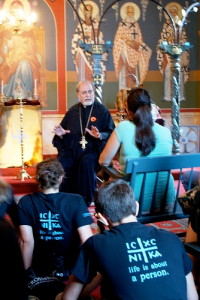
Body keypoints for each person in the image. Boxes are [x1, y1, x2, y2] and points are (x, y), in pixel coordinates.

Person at [59, 179, 198, 300]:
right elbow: (192, 297)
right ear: (136, 207)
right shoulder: (172, 239)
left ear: (101, 218)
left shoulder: (96, 244)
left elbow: (68, 297)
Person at [17, 158, 93, 300]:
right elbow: (88, 241)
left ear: (38, 179)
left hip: (40, 268)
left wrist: (25, 275)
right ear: (61, 178)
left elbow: (26, 242)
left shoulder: (26, 202)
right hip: (71, 270)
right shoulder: (76, 200)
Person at [99, 88, 174, 212]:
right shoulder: (166, 132)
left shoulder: (123, 128)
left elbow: (103, 161)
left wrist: (112, 166)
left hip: (133, 203)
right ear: (151, 108)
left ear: (128, 111)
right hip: (165, 201)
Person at [52, 80, 115, 206]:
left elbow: (111, 132)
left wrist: (100, 135)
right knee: (61, 164)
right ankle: (63, 199)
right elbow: (63, 131)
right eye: (84, 92)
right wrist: (61, 134)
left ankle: (84, 200)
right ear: (78, 95)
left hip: (93, 152)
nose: (88, 95)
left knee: (85, 162)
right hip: (72, 151)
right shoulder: (72, 112)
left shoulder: (102, 111)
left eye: (90, 92)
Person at [113, 3, 152, 89]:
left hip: (135, 53)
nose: (130, 15)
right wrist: (126, 42)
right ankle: (124, 90)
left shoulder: (136, 25)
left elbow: (139, 40)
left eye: (132, 13)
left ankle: (134, 89)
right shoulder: (122, 25)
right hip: (124, 53)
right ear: (126, 13)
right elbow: (117, 41)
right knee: (125, 73)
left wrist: (135, 44)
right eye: (129, 12)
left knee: (135, 75)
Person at [157, 2, 189, 101]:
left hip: (178, 54)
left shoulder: (180, 25)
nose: (173, 14)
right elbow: (161, 40)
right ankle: (167, 96)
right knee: (167, 74)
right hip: (168, 54)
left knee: (179, 74)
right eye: (171, 12)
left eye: (174, 12)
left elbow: (184, 39)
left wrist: (178, 40)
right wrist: (167, 40)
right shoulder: (166, 25)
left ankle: (180, 95)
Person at [71, 1, 107, 81]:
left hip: (93, 54)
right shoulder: (80, 25)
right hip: (82, 56)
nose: (87, 13)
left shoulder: (96, 25)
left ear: (92, 12)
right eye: (85, 11)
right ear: (83, 12)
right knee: (84, 79)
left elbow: (100, 41)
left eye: (89, 11)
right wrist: (80, 39)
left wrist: (94, 39)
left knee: (95, 78)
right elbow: (75, 40)